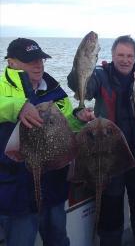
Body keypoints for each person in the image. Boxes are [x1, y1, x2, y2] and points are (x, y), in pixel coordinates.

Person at [67, 35, 135, 246]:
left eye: (129, 55)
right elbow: (77, 83)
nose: (125, 60)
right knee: (110, 206)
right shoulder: (99, 75)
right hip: (108, 155)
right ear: (112, 55)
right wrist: (82, 61)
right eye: (120, 55)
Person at [0, 38, 95, 246]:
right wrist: (18, 107)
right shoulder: (2, 87)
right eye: (30, 60)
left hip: (53, 185)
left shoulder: (55, 90)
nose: (38, 64)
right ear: (11, 62)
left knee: (58, 239)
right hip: (16, 190)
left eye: (41, 59)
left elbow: (66, 128)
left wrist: (78, 120)